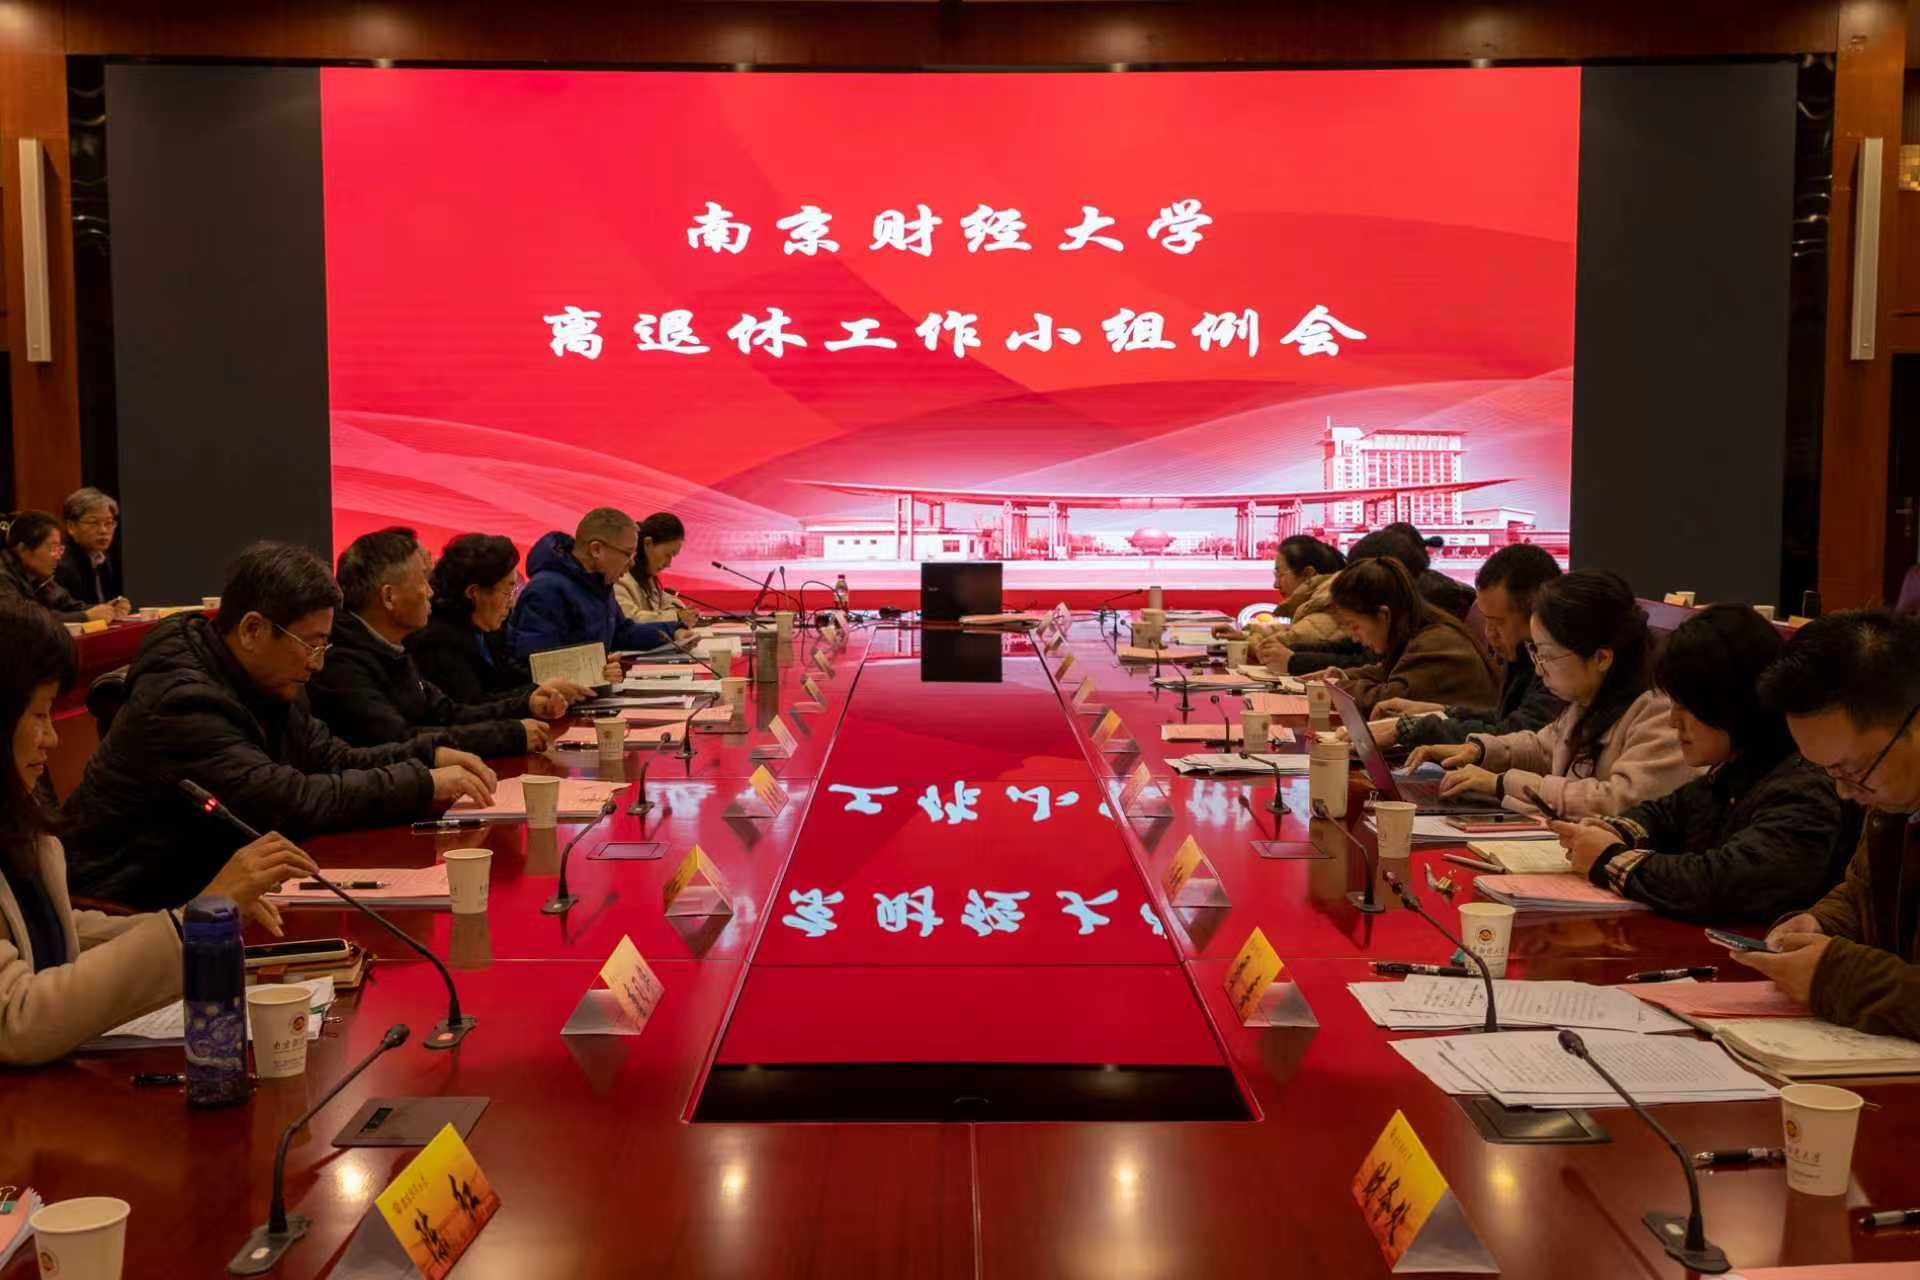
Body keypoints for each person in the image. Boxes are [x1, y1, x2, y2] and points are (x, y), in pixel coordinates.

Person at [61, 542, 497, 911]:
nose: (318, 663)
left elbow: (329, 757)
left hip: (212, 889)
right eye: (312, 644)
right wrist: (422, 782)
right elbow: (288, 801)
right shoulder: (182, 701)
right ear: (253, 630)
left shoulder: (265, 677)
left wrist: (429, 755)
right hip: (132, 908)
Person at [0, 602, 319, 1065]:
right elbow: (17, 1018)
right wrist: (193, 924)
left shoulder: (18, 820)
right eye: (39, 715)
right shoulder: (183, 701)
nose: (52, 737)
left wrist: (201, 921)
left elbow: (60, 929)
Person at [1549, 604, 1849, 922]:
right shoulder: (1734, 768)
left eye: (1686, 706)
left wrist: (1609, 859)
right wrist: (1613, 830)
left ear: (1732, 703)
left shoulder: (1801, 787)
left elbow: (1721, 883)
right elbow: (1666, 814)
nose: (1673, 721)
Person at [1735, 611, 1920, 1038]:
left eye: (1852, 770)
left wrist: (1835, 977)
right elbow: (1863, 891)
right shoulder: (1893, 798)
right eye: (1827, 772)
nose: (1843, 792)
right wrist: (1820, 924)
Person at [1408, 570, 1693, 817]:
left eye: (1546, 654)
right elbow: (1543, 747)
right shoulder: (1589, 696)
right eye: (1534, 651)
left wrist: (1503, 783)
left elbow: (1618, 801)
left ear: (1601, 658)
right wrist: (1479, 751)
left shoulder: (1659, 710)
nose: (1539, 668)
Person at [310, 530, 579, 758]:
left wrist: (527, 704)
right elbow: (400, 739)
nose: (430, 591)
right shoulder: (342, 664)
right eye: (422, 581)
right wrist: (511, 734)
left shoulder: (391, 648)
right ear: (389, 597)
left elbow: (447, 711)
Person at [1371, 543, 1564, 750]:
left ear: (1536, 614)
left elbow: (1515, 735)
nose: (1489, 634)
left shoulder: (1559, 663)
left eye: (1498, 623)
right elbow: (1504, 717)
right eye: (1486, 620)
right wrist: (1441, 711)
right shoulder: (1523, 651)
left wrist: (1413, 728)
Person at [1287, 557, 1497, 716]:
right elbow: (1388, 672)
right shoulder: (1420, 634)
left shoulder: (1437, 643)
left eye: (1355, 626)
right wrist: (1341, 676)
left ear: (1383, 615)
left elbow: (1388, 700)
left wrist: (1332, 688)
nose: (1355, 638)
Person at [509, 508, 683, 678]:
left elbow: (622, 633)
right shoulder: (546, 590)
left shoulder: (600, 584)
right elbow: (538, 666)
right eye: (628, 554)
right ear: (596, 550)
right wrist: (596, 669)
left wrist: (673, 632)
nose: (632, 563)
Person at [408, 533, 542, 704]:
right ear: (473, 593)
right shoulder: (437, 641)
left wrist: (547, 683)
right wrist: (533, 697)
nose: (511, 602)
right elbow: (473, 704)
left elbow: (506, 677)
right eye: (508, 591)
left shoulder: (484, 627)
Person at [1219, 536, 1347, 663]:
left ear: (1308, 574)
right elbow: (1291, 631)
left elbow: (1275, 647)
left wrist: (1246, 641)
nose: (1276, 585)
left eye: (1280, 575)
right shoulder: (1322, 601)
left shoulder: (1328, 608)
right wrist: (1243, 636)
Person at [0, 512, 122, 623]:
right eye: (52, 548)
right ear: (22, 549)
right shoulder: (3, 576)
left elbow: (70, 606)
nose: (58, 557)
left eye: (60, 548)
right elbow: (26, 620)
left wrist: (107, 609)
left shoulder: (41, 578)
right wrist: (85, 616)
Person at [615, 512, 699, 629]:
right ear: (648, 544)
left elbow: (666, 601)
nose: (668, 563)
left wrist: (681, 613)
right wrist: (677, 616)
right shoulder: (618, 577)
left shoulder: (647, 577)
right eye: (667, 555)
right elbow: (629, 620)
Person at [54, 488, 128, 610]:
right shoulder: (61, 565)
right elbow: (65, 613)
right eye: (93, 523)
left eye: (109, 523)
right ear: (71, 527)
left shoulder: (104, 559)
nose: (103, 530)